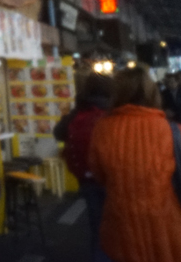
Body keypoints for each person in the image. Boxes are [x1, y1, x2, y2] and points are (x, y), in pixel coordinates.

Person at [89, 67, 181, 262]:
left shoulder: (101, 129)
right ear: (152, 92)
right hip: (170, 229)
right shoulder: (172, 130)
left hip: (122, 230)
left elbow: (98, 174)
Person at [54, 73, 113, 262]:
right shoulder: (115, 108)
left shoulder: (79, 110)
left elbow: (58, 132)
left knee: (97, 225)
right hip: (114, 176)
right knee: (120, 225)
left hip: (86, 177)